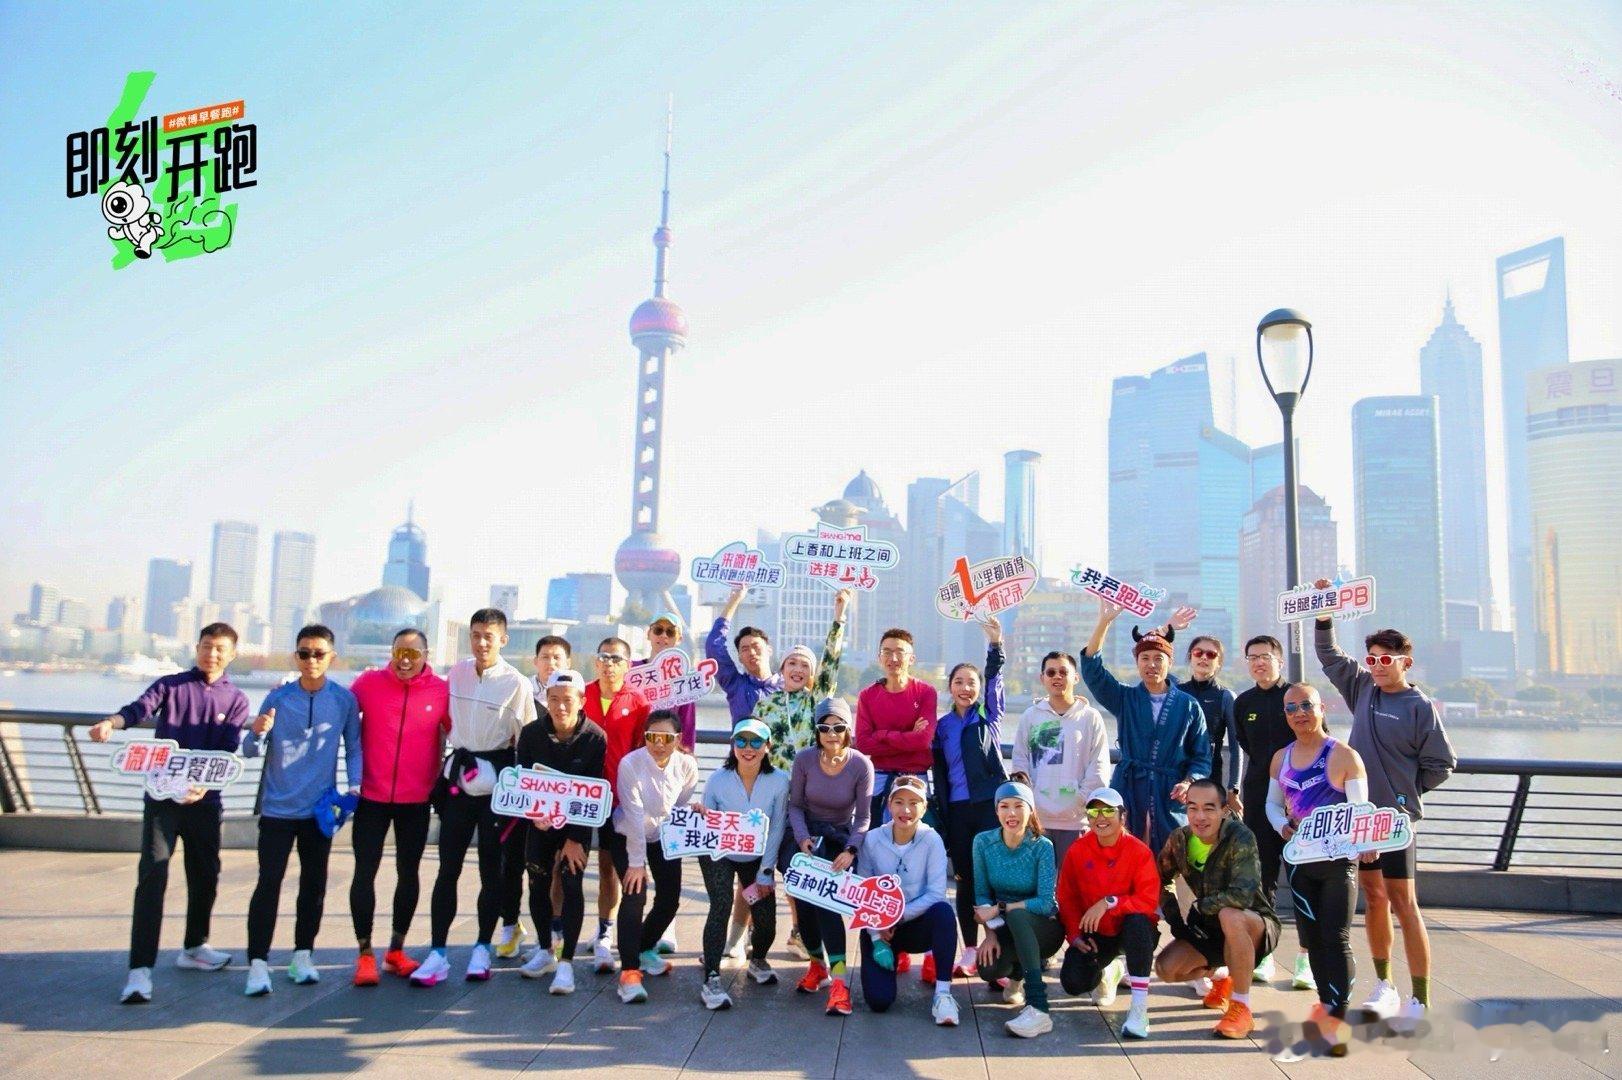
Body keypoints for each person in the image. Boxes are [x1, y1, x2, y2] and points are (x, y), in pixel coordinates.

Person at [1314, 590, 1458, 1030]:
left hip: (1395, 824)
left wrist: (1404, 798)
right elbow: (1328, 654)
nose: (1376, 665)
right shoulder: (1361, 687)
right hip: (1359, 820)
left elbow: (1442, 764)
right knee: (1373, 900)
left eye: (1385, 659)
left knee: (1404, 903)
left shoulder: (1419, 707)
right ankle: (1385, 986)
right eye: (1372, 658)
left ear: (1405, 663)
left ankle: (1421, 997)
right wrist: (1323, 615)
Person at [90, 622, 251, 1005]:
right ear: (197, 647)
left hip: (205, 802)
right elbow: (138, 710)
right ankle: (139, 971)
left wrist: (204, 787)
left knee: (206, 874)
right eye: (206, 646)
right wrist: (111, 724)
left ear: (232, 655)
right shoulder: (172, 685)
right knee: (153, 876)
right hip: (162, 798)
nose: (211, 653)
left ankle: (195, 946)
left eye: (220, 648)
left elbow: (227, 750)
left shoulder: (236, 699)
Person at [412, 608, 537, 987]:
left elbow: (527, 743)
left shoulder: (517, 684)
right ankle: (437, 952)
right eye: (476, 634)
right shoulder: (458, 673)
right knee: (446, 867)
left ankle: (482, 946)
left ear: (503, 639)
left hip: (496, 785)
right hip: (458, 784)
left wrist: (527, 796)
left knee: (491, 870)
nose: (482, 642)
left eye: (490, 635)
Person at [239, 624, 362, 996]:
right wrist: (257, 732)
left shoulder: (343, 700)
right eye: (304, 653)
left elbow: (354, 747)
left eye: (319, 653)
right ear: (296, 656)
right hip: (277, 809)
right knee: (268, 883)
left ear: (331, 658)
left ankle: (303, 955)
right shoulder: (277, 698)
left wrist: (354, 788)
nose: (311, 660)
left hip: (319, 811)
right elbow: (248, 749)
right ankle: (258, 963)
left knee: (314, 885)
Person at [1267, 684, 1370, 1055]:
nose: (1299, 713)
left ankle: (1337, 1021)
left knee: (1336, 938)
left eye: (1306, 705)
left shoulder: (1344, 756)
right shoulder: (1281, 758)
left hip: (1338, 864)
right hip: (1298, 863)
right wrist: (1283, 827)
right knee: (1312, 940)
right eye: (1291, 707)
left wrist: (1365, 844)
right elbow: (1272, 805)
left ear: (1321, 708)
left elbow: (1361, 810)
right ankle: (1326, 1007)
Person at [750, 587, 850, 962]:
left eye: (804, 665)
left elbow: (832, 662)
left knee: (801, 866)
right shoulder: (767, 703)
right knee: (767, 863)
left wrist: (839, 618)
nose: (797, 669)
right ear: (781, 669)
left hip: (808, 799)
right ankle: (760, 935)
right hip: (773, 794)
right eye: (791, 663)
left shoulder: (817, 701)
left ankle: (800, 931)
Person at [348, 628, 449, 986]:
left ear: (426, 654)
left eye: (413, 653)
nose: (405, 660)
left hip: (416, 800)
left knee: (409, 873)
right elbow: (338, 718)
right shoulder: (367, 683)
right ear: (391, 652)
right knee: (365, 871)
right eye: (399, 652)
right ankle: (364, 954)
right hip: (371, 798)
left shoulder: (441, 690)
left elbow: (463, 733)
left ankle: (396, 950)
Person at [1080, 598, 1212, 854]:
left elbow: (1201, 757)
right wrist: (1104, 622)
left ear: (1169, 663)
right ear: (1137, 662)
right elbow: (1093, 671)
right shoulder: (1125, 699)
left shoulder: (1188, 706)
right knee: (1124, 853)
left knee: (1170, 859)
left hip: (1170, 794)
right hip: (1130, 787)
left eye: (1158, 658)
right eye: (1145, 658)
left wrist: (1189, 782)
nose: (1151, 664)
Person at [1153, 778, 1282, 1040]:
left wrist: (1201, 906)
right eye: (1192, 808)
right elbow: (1160, 879)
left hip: (1254, 923)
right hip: (1209, 928)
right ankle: (1223, 974)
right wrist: (1175, 918)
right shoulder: (1179, 839)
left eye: (1209, 808)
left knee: (1230, 914)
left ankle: (1241, 1006)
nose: (1200, 816)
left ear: (1223, 810)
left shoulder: (1240, 836)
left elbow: (1243, 895)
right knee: (1166, 968)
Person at [515, 669, 607, 995]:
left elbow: (596, 792)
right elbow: (523, 783)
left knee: (571, 884)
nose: (560, 707)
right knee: (537, 884)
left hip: (576, 826)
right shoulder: (530, 734)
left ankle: (566, 963)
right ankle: (545, 950)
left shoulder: (595, 737)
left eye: (568, 700)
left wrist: (574, 837)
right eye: (553, 699)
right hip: (540, 822)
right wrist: (533, 813)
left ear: (582, 701)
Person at [932, 616, 1012, 978]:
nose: (966, 687)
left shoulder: (989, 717)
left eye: (972, 682)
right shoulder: (942, 727)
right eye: (959, 682)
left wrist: (995, 645)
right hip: (958, 811)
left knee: (993, 879)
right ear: (950, 687)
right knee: (964, 879)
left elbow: (995, 679)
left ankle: (997, 945)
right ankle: (968, 948)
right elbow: (940, 772)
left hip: (989, 809)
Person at [788, 697, 875, 1016]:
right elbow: (795, 806)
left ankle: (839, 982)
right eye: (824, 727)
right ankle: (816, 965)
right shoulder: (804, 760)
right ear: (817, 731)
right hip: (805, 835)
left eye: (838, 727)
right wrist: (802, 839)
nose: (831, 733)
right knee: (802, 903)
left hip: (840, 837)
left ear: (848, 730)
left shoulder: (860, 764)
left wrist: (852, 849)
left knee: (827, 905)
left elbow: (864, 817)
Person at [698, 718, 791, 1010]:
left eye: (755, 742)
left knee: (766, 921)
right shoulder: (717, 779)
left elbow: (776, 828)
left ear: (767, 746)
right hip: (719, 854)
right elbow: (706, 823)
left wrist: (766, 871)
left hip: (757, 856)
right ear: (732, 745)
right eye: (741, 741)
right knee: (721, 905)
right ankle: (711, 975)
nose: (747, 749)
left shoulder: (779, 781)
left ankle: (758, 958)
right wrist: (699, 814)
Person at [1231, 634, 1306, 987]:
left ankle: (1307, 958)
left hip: (1301, 800)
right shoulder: (1243, 702)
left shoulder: (1296, 698)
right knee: (1262, 881)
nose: (1258, 662)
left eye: (1265, 656)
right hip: (1260, 799)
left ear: (1279, 660)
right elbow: (1247, 746)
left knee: (1304, 880)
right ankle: (1265, 955)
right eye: (1252, 657)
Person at [1056, 787, 1161, 1039]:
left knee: (1137, 922)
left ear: (1123, 816)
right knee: (1073, 982)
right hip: (1096, 934)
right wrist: (1074, 936)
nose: (1100, 817)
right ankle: (1109, 970)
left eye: (1108, 811)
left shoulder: (1139, 851)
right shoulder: (1077, 851)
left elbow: (1147, 901)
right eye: (1094, 811)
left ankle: (1138, 1009)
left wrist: (1110, 902)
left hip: (1132, 931)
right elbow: (1066, 897)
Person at [857, 775, 961, 1026]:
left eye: (914, 803)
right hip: (879, 928)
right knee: (879, 1002)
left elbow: (936, 893)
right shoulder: (871, 840)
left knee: (944, 913)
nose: (906, 810)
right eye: (899, 802)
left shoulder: (932, 839)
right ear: (888, 805)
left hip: (915, 922)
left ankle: (943, 994)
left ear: (924, 808)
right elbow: (862, 893)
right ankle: (885, 962)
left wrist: (897, 916)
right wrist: (875, 934)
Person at [610, 709, 698, 1003]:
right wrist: (636, 863)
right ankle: (629, 972)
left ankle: (644, 948)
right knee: (635, 895)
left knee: (670, 898)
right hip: (627, 833)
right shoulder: (631, 764)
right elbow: (634, 816)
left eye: (666, 738)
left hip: (663, 834)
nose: (659, 744)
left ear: (677, 738)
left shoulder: (687, 765)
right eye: (652, 737)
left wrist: (694, 812)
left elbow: (681, 802)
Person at [497, 634, 574, 963]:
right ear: (535, 661)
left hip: (557, 799)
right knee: (512, 862)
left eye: (557, 657)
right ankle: (510, 925)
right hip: (522, 794)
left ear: (567, 663)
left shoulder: (573, 696)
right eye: (545, 657)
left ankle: (554, 931)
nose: (551, 663)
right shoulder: (521, 690)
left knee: (555, 868)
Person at [973, 779, 1062, 1038]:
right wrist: (989, 934)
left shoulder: (1042, 846)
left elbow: (1047, 902)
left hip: (1042, 928)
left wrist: (1003, 907)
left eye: (1018, 806)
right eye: (1004, 806)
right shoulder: (982, 842)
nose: (1011, 813)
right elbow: (981, 895)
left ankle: (1038, 1007)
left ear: (1030, 810)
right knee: (988, 969)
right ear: (996, 811)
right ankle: (1016, 978)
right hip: (1004, 927)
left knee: (1018, 914)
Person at [583, 636, 652, 973]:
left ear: (628, 665)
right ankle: (554, 937)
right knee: (566, 866)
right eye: (603, 657)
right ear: (596, 663)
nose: (609, 663)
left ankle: (606, 933)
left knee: (612, 868)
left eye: (616, 658)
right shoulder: (581, 695)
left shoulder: (639, 702)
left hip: (620, 801)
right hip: (580, 798)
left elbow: (644, 751)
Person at [1011, 648, 1109, 868]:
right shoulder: (1031, 716)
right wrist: (1031, 802)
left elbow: (1099, 766)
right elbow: (1020, 761)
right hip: (1037, 821)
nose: (1057, 677)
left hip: (1076, 821)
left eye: (1063, 672)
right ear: (1042, 678)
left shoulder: (1090, 717)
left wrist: (1079, 800)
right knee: (1037, 887)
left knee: (1072, 887)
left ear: (1075, 677)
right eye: (1051, 672)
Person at [856, 628, 938, 825]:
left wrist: (882, 735)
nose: (893, 658)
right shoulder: (868, 695)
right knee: (873, 836)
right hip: (879, 776)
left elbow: (923, 740)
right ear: (879, 657)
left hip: (915, 776)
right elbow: (864, 744)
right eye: (887, 652)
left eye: (900, 652)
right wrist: (907, 735)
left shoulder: (926, 692)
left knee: (917, 838)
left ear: (911, 658)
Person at [707, 586, 783, 722]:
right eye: (745, 649)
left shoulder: (787, 686)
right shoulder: (736, 685)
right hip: (743, 744)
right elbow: (714, 645)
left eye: (756, 646)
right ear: (740, 658)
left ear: (769, 650)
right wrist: (734, 601)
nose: (752, 652)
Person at [1178, 635, 1240, 798]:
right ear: (1190, 656)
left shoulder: (1225, 697)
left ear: (1219, 662)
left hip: (1210, 778)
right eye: (1198, 652)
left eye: (1211, 654)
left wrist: (1233, 788)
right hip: (1175, 778)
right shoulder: (1175, 693)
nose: (1204, 657)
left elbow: (1235, 748)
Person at [637, 611, 698, 751]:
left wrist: (687, 755)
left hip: (665, 752)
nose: (664, 635)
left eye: (670, 632)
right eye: (658, 630)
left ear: (679, 639)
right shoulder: (630, 670)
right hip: (632, 753)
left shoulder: (684, 680)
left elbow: (687, 724)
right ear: (648, 634)